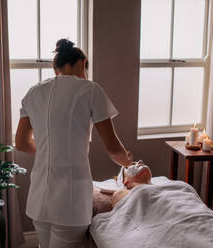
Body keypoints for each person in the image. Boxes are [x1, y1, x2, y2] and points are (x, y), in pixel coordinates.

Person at [15, 38, 133, 248]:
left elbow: (21, 143)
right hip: (70, 199)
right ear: (82, 62)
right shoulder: (89, 90)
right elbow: (113, 149)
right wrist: (129, 163)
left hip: (39, 197)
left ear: (57, 67)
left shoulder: (33, 92)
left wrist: (47, 150)